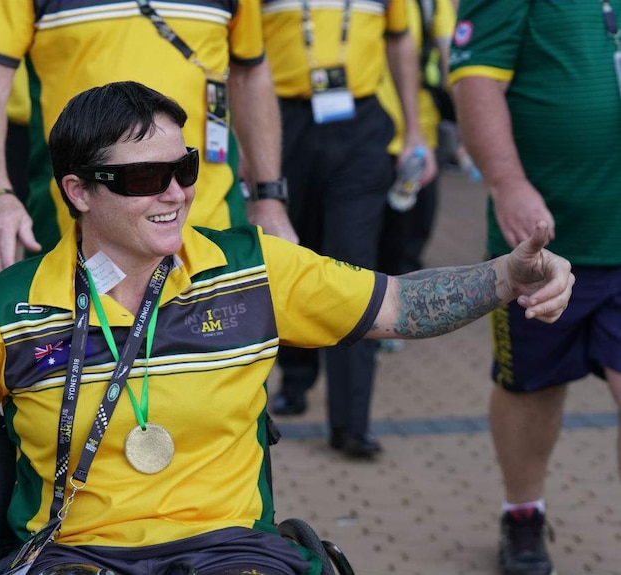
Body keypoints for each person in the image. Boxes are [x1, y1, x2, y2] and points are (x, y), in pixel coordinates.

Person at [0, 81, 573, 575]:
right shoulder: (7, 307)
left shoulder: (252, 268)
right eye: (144, 176)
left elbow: (399, 304)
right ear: (78, 191)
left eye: (184, 168)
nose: (174, 192)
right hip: (74, 557)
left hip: (230, 554)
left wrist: (508, 277)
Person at [449, 2, 621, 574]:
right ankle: (523, 512)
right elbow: (475, 77)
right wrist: (508, 184)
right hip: (544, 243)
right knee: (532, 387)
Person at [0, 0, 297, 282]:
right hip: (79, 229)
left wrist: (269, 200)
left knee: (219, 360)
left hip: (211, 227)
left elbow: (250, 74)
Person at [262, 0, 437, 458]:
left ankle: (352, 423)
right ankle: (296, 380)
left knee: (353, 267)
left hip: (360, 125)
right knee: (291, 257)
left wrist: (414, 130)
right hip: (284, 122)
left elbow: (400, 43)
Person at [375, 0, 455, 354]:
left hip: (419, 133)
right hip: (367, 133)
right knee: (363, 238)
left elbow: (449, 53)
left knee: (410, 234)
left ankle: (401, 320)